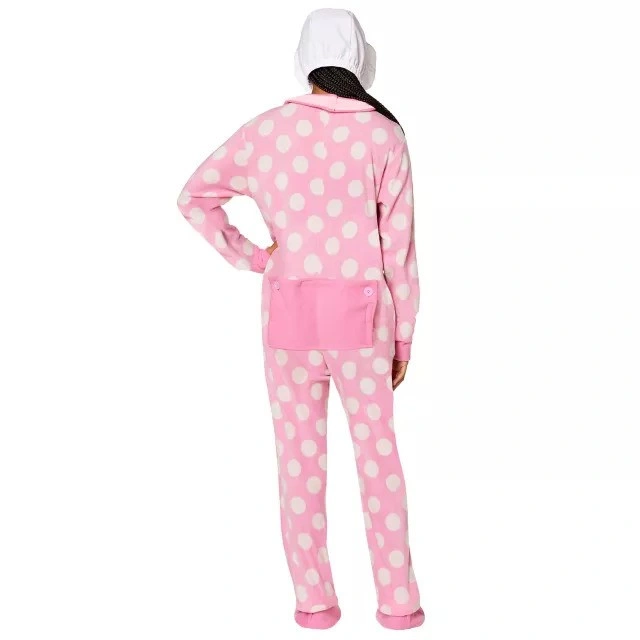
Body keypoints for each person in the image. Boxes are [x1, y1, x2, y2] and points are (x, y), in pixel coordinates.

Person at [177, 8, 424, 631]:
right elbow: (399, 249)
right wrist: (402, 339)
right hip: (364, 323)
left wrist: (257, 258)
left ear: (302, 62)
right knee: (378, 461)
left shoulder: (266, 131)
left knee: (298, 464)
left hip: (288, 319)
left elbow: (194, 197)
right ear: (361, 60)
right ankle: (398, 603)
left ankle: (315, 603)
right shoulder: (383, 135)